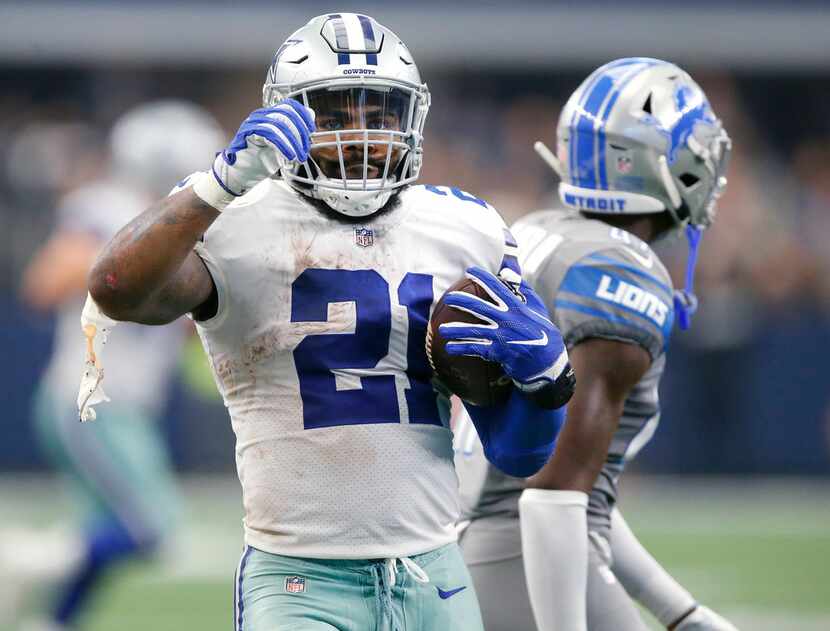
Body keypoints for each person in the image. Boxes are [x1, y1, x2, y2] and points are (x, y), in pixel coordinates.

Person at [84, 14, 574, 631]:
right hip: (300, 580)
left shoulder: (466, 227)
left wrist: (548, 387)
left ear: (410, 119)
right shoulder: (236, 217)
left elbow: (518, 452)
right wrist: (215, 186)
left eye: (379, 113)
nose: (360, 135)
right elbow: (115, 291)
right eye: (334, 116)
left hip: (436, 575)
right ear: (287, 117)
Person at [455, 57, 739, 631]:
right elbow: (550, 500)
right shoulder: (619, 275)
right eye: (693, 151)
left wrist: (679, 613)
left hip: (478, 546)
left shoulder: (540, 231)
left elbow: (587, 488)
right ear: (653, 164)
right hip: (521, 555)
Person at [12, 101, 224, 630]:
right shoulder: (112, 208)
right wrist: (129, 269)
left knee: (113, 528)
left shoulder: (174, 225)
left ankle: (54, 621)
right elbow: (46, 283)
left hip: (118, 406)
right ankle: (21, 557)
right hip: (93, 402)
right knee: (150, 529)